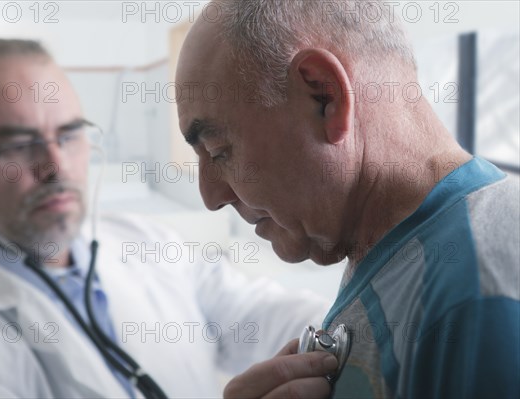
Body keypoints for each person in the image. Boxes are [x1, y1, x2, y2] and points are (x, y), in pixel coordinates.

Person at [0, 38, 332, 398]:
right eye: (17, 144)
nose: (56, 167)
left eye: (68, 135)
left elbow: (262, 315)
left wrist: (364, 335)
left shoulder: (145, 243)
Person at [176, 0, 520, 398]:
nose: (210, 197)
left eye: (219, 150)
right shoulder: (388, 249)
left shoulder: (476, 294)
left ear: (324, 95)